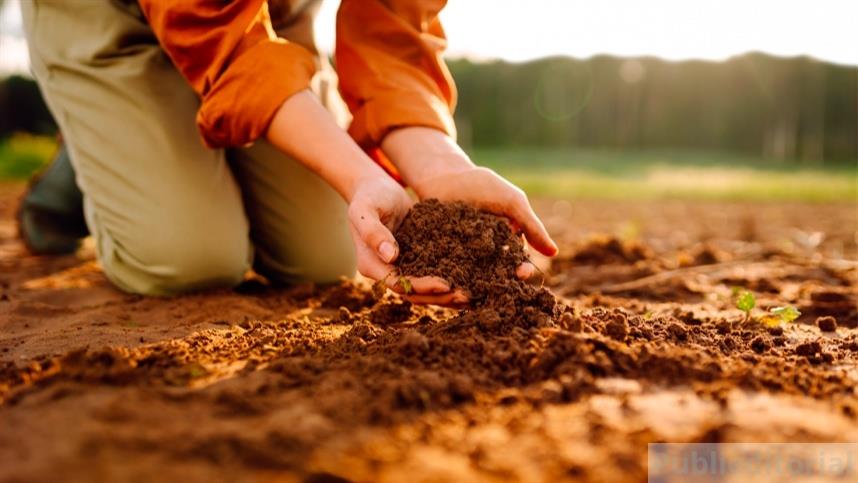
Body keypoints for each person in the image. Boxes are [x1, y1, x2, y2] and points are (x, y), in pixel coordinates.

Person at [18, 0, 557, 304]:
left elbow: (392, 27)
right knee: (188, 258)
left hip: (269, 20)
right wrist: (354, 172)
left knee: (324, 256)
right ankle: (89, 156)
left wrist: (440, 166)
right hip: (114, 18)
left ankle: (174, 135)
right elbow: (216, 34)